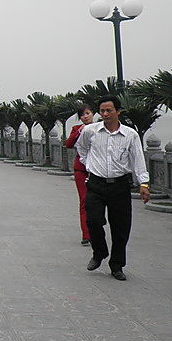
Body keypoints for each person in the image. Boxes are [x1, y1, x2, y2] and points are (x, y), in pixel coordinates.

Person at [76, 95, 150, 281]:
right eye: (102, 111)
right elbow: (81, 149)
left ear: (118, 111)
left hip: (119, 185)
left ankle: (117, 265)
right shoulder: (90, 131)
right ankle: (99, 252)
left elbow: (137, 159)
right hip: (96, 183)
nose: (105, 114)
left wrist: (143, 183)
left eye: (109, 110)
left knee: (120, 227)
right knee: (93, 220)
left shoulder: (130, 134)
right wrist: (88, 164)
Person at [64, 104, 95, 246]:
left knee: (97, 202)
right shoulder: (77, 129)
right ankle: (86, 234)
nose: (86, 116)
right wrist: (79, 132)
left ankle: (96, 229)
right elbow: (68, 144)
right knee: (84, 200)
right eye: (83, 115)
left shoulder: (100, 128)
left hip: (97, 170)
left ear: (93, 114)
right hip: (81, 170)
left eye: (88, 113)